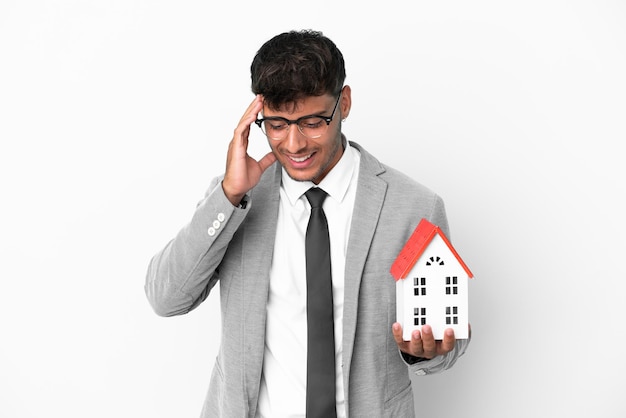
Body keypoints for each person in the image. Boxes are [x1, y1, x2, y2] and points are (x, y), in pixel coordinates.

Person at [145, 29, 470, 418]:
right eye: (278, 125)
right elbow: (166, 298)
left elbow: (448, 337)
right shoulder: (236, 198)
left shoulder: (414, 206)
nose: (294, 145)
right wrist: (230, 195)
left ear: (344, 103)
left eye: (313, 122)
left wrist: (425, 352)